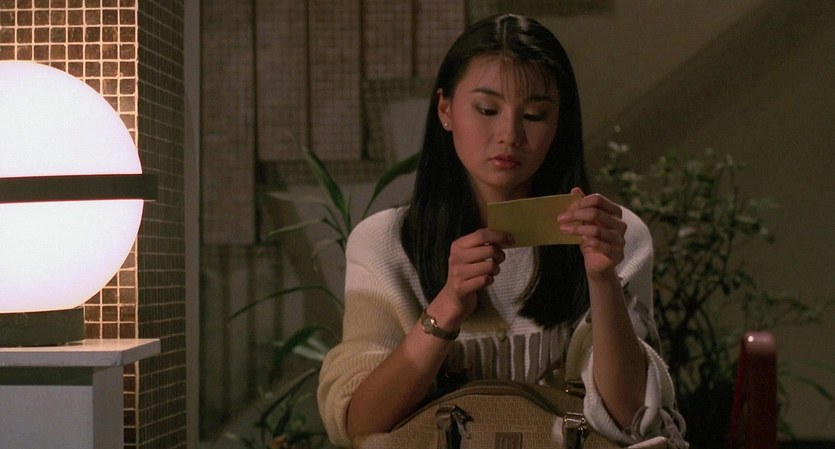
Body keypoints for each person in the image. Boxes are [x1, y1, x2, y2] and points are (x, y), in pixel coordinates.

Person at [318, 13, 686, 448]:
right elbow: (361, 423)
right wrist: (448, 305)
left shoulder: (612, 233)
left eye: (534, 114)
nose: (509, 135)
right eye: (487, 110)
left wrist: (602, 278)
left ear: (559, 122)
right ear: (445, 109)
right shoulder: (384, 243)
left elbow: (631, 419)